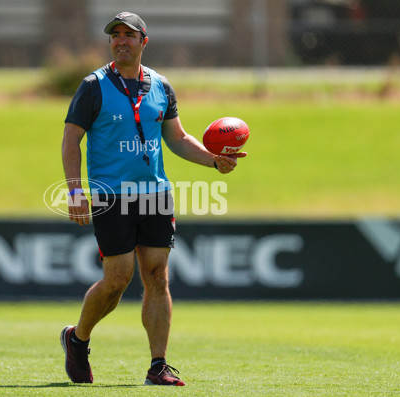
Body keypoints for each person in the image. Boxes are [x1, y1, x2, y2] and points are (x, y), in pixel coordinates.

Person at [60, 11, 247, 386]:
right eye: (115, 35)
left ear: (144, 42)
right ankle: (77, 338)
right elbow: (70, 140)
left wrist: (214, 161)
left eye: (130, 35)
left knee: (157, 275)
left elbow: (176, 139)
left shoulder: (161, 86)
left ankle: (158, 365)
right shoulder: (93, 86)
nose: (121, 41)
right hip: (112, 195)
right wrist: (76, 191)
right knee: (116, 279)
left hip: (156, 195)